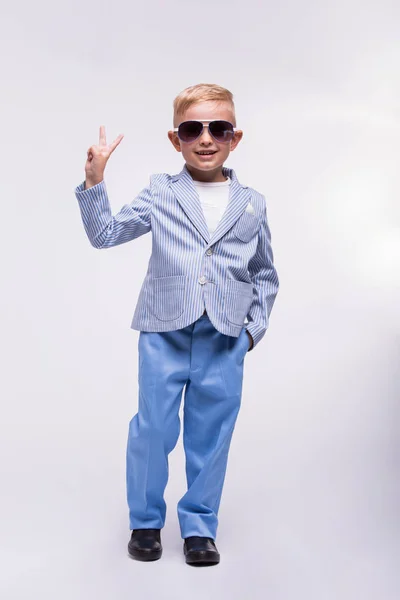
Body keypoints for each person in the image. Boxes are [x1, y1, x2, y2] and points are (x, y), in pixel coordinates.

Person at [74, 83, 279, 566]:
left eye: (218, 128)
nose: (205, 138)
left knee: (212, 433)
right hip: (164, 330)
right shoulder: (161, 192)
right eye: (193, 129)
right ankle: (145, 521)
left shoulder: (252, 202)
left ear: (235, 137)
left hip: (225, 336)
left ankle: (199, 527)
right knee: (153, 429)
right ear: (175, 139)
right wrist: (94, 183)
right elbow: (106, 234)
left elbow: (265, 272)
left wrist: (253, 330)